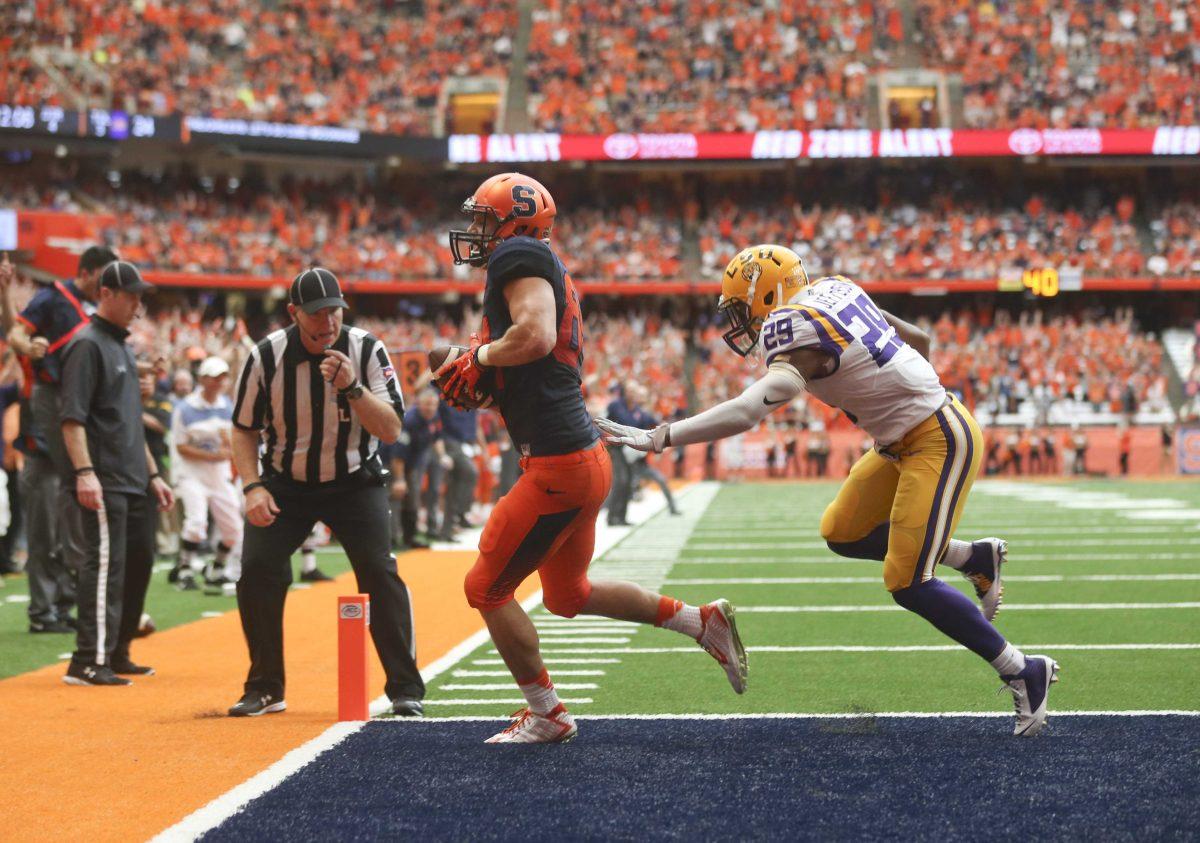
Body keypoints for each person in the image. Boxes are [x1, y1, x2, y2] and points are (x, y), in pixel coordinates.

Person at [597, 245, 1058, 737]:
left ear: (767, 294)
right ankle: (970, 557)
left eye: (741, 307)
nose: (741, 322)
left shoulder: (789, 326)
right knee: (842, 531)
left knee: (909, 582)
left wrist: (661, 435)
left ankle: (1023, 670)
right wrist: (903, 394)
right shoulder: (837, 287)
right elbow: (919, 339)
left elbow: (749, 410)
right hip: (902, 438)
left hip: (936, 437)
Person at [443, 172, 746, 744]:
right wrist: (482, 375)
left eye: (485, 219)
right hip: (581, 458)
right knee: (567, 595)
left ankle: (547, 714)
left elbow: (531, 337)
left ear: (514, 221)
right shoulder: (535, 260)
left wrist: (478, 355)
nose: (477, 232)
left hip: (558, 466)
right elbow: (533, 362)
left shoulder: (520, 253)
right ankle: (699, 621)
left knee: (485, 588)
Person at [228, 266, 424, 717]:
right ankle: (264, 686)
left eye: (335, 312)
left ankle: (404, 688)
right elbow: (242, 430)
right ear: (294, 313)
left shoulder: (368, 349)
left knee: (379, 570)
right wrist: (252, 486)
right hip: (284, 483)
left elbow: (391, 429)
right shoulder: (264, 357)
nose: (328, 323)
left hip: (355, 480)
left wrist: (352, 387)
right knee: (257, 570)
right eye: (317, 314)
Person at [59, 260, 174, 685]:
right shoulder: (87, 344)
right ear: (106, 293)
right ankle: (88, 659)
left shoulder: (122, 347)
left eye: (140, 296)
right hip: (104, 476)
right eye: (131, 295)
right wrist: (85, 472)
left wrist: (155, 475)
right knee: (104, 565)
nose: (138, 304)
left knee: (139, 561)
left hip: (134, 477)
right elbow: (72, 419)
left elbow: (130, 421)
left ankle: (118, 649)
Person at [9, 245, 117, 634]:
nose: (107, 287)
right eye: (103, 277)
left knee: (70, 528)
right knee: (44, 532)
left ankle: (64, 604)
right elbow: (18, 335)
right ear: (87, 272)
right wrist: (30, 346)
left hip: (77, 423)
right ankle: (42, 612)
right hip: (42, 436)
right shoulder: (53, 298)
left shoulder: (93, 313)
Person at [170, 356, 242, 593]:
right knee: (196, 521)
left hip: (219, 474)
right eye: (215, 377)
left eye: (223, 377)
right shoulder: (186, 408)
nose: (220, 382)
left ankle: (216, 568)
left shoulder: (226, 406)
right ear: (203, 379)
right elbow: (181, 446)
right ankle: (185, 569)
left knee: (233, 528)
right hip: (192, 473)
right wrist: (213, 455)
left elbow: (232, 440)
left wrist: (228, 448)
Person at [395, 389, 443, 549]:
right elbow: (398, 453)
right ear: (419, 403)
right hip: (397, 462)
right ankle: (393, 539)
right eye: (427, 404)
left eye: (433, 405)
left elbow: (437, 438)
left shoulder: (433, 418)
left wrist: (442, 456)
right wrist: (400, 479)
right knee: (396, 497)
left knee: (413, 499)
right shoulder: (409, 421)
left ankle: (410, 538)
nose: (430, 408)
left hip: (415, 463)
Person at [437, 400, 480, 540]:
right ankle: (459, 514)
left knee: (455, 485)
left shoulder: (472, 397)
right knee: (470, 472)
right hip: (450, 442)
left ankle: (449, 527)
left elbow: (474, 424)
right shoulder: (445, 394)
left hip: (465, 444)